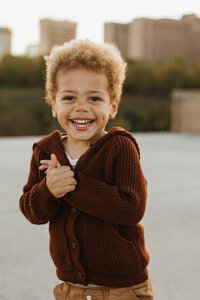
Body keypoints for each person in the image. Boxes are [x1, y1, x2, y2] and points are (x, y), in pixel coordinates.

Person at [19, 39, 154, 300]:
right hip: (71, 289)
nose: (81, 107)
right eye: (69, 97)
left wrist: (71, 185)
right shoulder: (46, 151)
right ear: (54, 104)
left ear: (112, 106)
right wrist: (48, 190)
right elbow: (32, 211)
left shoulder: (120, 147)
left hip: (123, 289)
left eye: (94, 98)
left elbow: (131, 208)